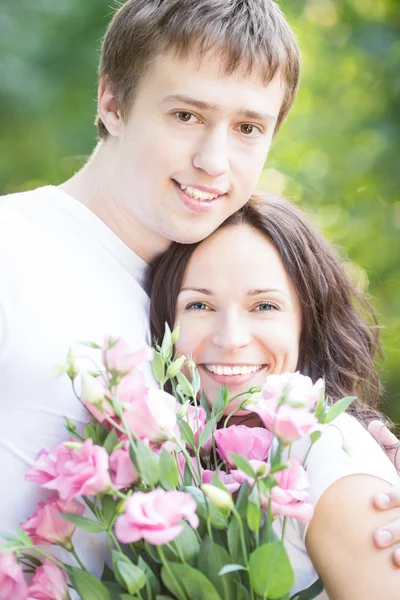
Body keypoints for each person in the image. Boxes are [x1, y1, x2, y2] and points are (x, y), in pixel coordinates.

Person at [1, 0, 399, 573]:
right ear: (112, 102)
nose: (214, 161)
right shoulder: (11, 248)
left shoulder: (212, 311)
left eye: (247, 128)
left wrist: (359, 475)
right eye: (186, 115)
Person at [149, 193, 400, 598]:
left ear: (308, 321)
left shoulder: (332, 451)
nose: (231, 339)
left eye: (264, 306)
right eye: (198, 305)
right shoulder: (168, 457)